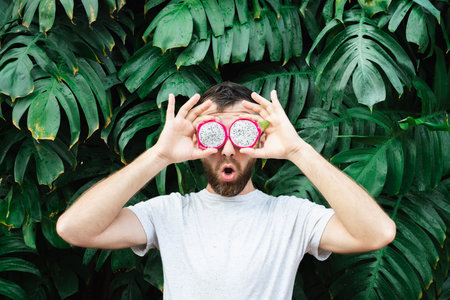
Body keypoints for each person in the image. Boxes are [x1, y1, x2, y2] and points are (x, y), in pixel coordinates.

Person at [56, 82, 396, 299]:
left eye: (243, 134)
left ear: (259, 139)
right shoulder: (169, 213)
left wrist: (297, 150)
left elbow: (377, 233)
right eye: (214, 135)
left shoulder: (292, 216)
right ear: (197, 141)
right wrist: (159, 155)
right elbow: (73, 228)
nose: (229, 150)